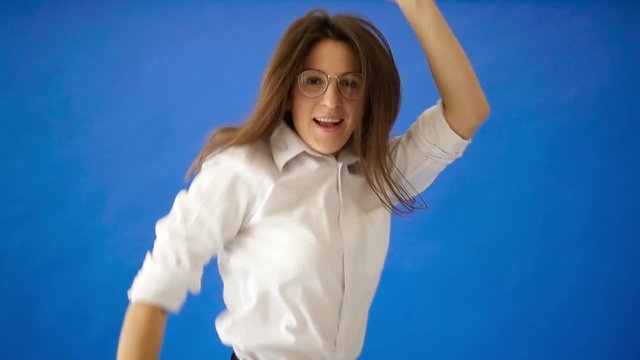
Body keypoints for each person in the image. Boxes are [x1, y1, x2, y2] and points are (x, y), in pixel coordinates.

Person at [117, 1, 490, 359]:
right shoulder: (242, 170)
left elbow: (467, 111)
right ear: (286, 92)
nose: (331, 102)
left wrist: (417, 5)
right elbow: (155, 288)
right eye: (313, 81)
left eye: (350, 84)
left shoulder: (375, 173)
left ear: (367, 100)